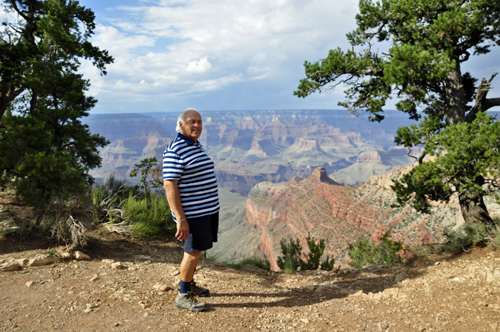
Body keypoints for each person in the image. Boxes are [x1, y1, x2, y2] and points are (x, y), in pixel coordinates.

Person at [162, 108, 219, 312]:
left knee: (197, 250)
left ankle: (189, 284)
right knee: (192, 252)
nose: (197, 125)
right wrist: (180, 219)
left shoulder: (194, 144)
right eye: (192, 122)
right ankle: (183, 295)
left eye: (200, 122)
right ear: (181, 125)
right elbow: (169, 185)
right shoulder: (175, 150)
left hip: (206, 211)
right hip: (192, 214)